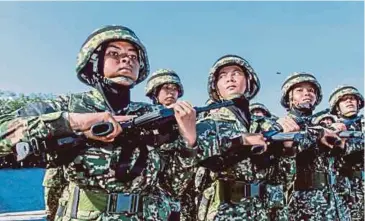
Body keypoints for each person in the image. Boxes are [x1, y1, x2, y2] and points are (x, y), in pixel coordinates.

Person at [0, 25, 198, 220]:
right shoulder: (69, 105)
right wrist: (74, 121)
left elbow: (173, 185)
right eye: (114, 53)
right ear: (95, 62)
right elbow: (4, 131)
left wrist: (189, 142)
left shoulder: (151, 115)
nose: (127, 60)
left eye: (133, 56)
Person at [329, 85, 364, 221]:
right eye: (344, 100)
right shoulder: (331, 127)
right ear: (337, 107)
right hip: (344, 190)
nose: (349, 101)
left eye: (352, 99)